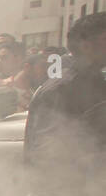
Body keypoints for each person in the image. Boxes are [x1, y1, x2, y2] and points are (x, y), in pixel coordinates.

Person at [25, 12, 106, 172]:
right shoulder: (60, 90)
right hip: (69, 192)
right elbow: (47, 155)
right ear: (86, 45)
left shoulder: (98, 83)